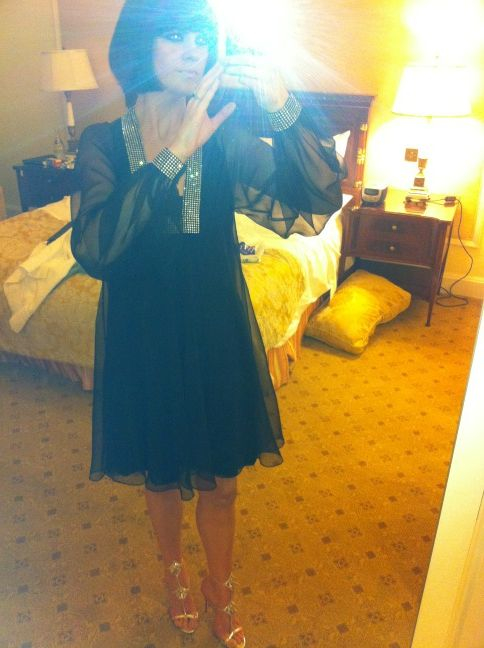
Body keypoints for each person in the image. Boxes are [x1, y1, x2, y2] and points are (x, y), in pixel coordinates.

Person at [71, 0, 344, 645]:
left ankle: (221, 586)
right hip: (142, 328)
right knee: (160, 471)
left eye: (201, 36)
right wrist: (173, 154)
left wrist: (282, 105)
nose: (194, 49)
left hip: (215, 321)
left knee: (222, 482)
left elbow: (314, 201)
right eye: (175, 35)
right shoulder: (103, 142)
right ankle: (175, 575)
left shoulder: (224, 133)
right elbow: (99, 248)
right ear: (141, 46)